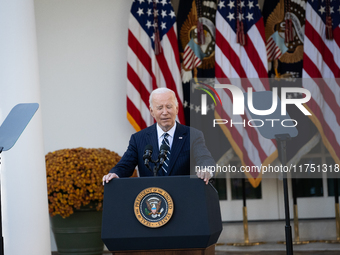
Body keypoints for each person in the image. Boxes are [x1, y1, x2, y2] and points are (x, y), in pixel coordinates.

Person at [102, 88, 215, 185]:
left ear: (177, 108)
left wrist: (206, 169)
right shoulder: (138, 139)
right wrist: (115, 174)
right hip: (152, 202)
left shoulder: (193, 135)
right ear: (152, 111)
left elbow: (205, 158)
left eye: (169, 106)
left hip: (184, 198)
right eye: (160, 108)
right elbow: (125, 165)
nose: (165, 112)